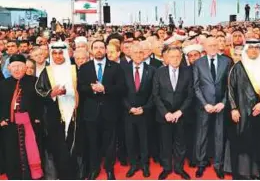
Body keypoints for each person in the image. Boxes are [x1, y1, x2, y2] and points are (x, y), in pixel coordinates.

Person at [78, 40, 126, 180]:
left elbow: (122, 88)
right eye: (96, 48)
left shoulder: (116, 67)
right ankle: (94, 169)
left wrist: (105, 89)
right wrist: (92, 88)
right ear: (91, 50)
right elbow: (80, 87)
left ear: (105, 50)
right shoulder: (85, 67)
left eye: (101, 47)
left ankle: (109, 169)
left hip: (110, 112)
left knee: (110, 143)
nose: (99, 50)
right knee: (92, 142)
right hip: (91, 112)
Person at [227, 40, 260, 179]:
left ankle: (259, 172)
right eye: (251, 48)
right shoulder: (237, 67)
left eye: (256, 48)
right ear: (246, 50)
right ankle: (243, 173)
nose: (253, 50)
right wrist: (234, 109)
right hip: (241, 112)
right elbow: (230, 90)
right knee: (244, 141)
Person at [35, 41, 79, 179]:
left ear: (65, 53)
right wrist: (52, 94)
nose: (58, 56)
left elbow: (82, 88)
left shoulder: (74, 69)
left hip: (74, 112)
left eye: (60, 53)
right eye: (54, 53)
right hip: (55, 113)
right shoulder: (47, 71)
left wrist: (70, 92)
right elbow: (38, 90)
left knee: (73, 144)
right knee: (59, 146)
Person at [193, 37, 233, 179]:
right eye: (210, 45)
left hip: (220, 106)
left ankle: (218, 164)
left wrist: (223, 102)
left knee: (219, 136)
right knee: (202, 136)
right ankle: (201, 164)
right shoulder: (198, 63)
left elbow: (229, 86)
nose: (213, 47)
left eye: (215, 45)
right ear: (204, 46)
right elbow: (196, 87)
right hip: (204, 106)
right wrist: (205, 104)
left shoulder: (226, 61)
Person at [0, 54, 43, 180]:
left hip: (31, 125)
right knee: (12, 155)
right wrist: (1, 118)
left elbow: (41, 102)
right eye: (14, 67)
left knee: (31, 154)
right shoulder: (3, 84)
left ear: (25, 67)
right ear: (8, 68)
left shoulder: (34, 81)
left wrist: (37, 117)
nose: (17, 69)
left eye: (19, 66)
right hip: (9, 127)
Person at [153, 47, 193, 180]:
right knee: (165, 143)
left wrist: (180, 112)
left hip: (181, 114)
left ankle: (179, 168)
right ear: (167, 58)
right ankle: (166, 168)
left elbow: (190, 95)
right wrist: (166, 113)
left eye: (177, 56)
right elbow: (155, 95)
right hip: (164, 115)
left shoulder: (188, 72)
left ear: (181, 57)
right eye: (172, 57)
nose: (175, 59)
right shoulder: (159, 72)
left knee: (180, 143)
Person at [122, 43, 155, 178]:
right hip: (128, 112)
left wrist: (145, 108)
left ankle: (145, 164)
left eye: (141, 52)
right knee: (130, 139)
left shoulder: (152, 70)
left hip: (145, 112)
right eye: (135, 52)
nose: (138, 55)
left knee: (144, 139)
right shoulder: (123, 69)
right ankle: (134, 165)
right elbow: (121, 93)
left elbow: (154, 93)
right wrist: (129, 107)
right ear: (130, 53)